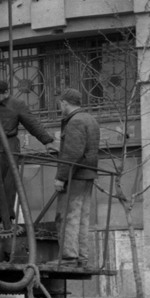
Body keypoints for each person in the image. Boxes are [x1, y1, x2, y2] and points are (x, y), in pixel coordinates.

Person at [0, 76, 55, 232]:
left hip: (8, 146)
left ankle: (7, 219)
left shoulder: (17, 105)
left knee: (7, 184)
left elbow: (32, 124)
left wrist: (47, 141)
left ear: (6, 93)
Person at [53, 87, 100, 267]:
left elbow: (73, 153)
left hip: (75, 176)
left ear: (64, 103)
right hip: (87, 175)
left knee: (67, 217)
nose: (60, 108)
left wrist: (61, 177)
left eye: (60, 104)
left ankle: (68, 258)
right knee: (81, 218)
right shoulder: (90, 119)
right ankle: (82, 257)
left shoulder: (75, 121)